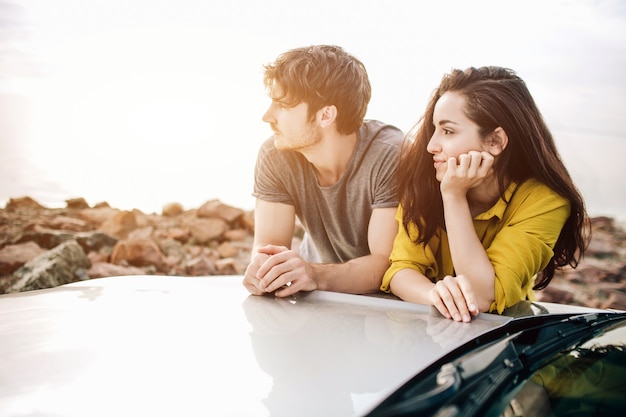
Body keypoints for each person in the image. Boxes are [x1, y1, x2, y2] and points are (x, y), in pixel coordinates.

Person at [381, 66, 589, 322]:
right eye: (434, 129)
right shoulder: (424, 182)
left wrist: (454, 196)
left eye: (447, 131)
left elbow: (481, 297)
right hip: (426, 330)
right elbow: (401, 269)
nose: (431, 146)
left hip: (502, 340)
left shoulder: (546, 201)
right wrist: (436, 295)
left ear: (495, 142)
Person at [243, 45, 404, 298]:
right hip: (313, 297)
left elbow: (385, 263)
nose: (267, 116)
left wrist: (314, 274)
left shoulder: (390, 154)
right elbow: (267, 248)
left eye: (282, 105)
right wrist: (263, 271)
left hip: (385, 308)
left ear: (326, 115)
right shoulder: (275, 155)